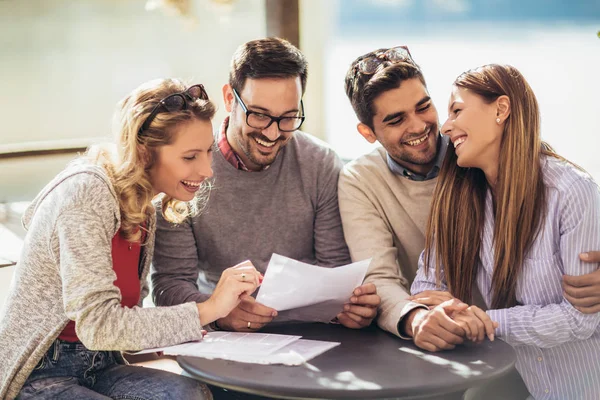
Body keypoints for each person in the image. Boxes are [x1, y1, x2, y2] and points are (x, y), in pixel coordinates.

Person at [0, 78, 262, 400]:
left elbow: (124, 326)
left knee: (189, 394)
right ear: (144, 152)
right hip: (39, 374)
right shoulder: (87, 193)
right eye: (190, 157)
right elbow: (97, 325)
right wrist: (209, 309)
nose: (207, 170)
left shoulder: (144, 208)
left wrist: (210, 325)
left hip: (103, 364)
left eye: (208, 152)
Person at [152, 37, 380, 333]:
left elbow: (335, 269)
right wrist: (220, 313)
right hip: (226, 335)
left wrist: (350, 308)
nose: (273, 134)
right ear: (230, 99)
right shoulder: (187, 171)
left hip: (312, 333)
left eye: (288, 118)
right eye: (259, 115)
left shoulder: (320, 163)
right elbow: (170, 286)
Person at [411, 64, 600, 399]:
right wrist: (437, 317)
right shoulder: (461, 196)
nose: (445, 126)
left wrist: (481, 321)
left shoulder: (570, 191)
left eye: (457, 110)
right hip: (532, 384)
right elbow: (426, 288)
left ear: (501, 109)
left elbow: (579, 320)